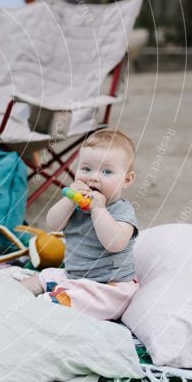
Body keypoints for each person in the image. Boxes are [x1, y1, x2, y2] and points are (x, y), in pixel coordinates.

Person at [21, 128, 139, 320]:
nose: (93, 177)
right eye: (86, 169)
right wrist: (69, 201)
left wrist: (98, 209)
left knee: (65, 301)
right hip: (73, 276)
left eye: (106, 171)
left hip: (106, 287)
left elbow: (114, 243)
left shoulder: (121, 211)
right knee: (43, 277)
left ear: (127, 180)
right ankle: (12, 296)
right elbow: (54, 224)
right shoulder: (76, 204)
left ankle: (39, 308)